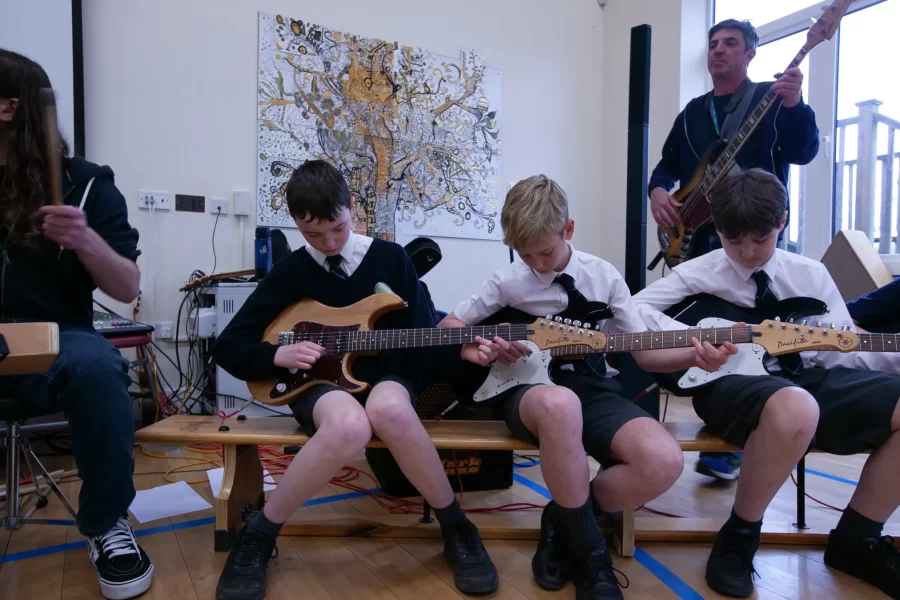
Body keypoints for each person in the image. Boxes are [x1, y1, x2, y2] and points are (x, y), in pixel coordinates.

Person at [211, 160, 498, 600]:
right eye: (312, 236)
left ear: (352, 210)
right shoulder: (289, 272)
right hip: (320, 385)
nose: (328, 243)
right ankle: (260, 535)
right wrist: (277, 355)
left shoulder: (391, 259)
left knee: (388, 410)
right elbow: (229, 345)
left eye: (338, 230)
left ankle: (457, 526)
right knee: (348, 425)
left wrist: (463, 351)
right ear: (295, 225)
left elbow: (422, 336)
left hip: (387, 377)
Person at [439, 175, 736, 599]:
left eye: (545, 251)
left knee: (662, 460)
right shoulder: (507, 281)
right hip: (529, 392)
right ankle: (591, 552)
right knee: (560, 406)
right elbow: (449, 323)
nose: (537, 265)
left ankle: (563, 518)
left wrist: (695, 355)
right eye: (525, 255)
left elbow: (644, 354)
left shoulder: (604, 278)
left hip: (592, 387)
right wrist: (474, 345)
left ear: (569, 230)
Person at [634, 168, 900, 599]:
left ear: (783, 222)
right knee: (795, 407)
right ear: (717, 229)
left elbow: (844, 349)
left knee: (805, 400)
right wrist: (696, 341)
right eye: (733, 240)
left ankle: (859, 539)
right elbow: (632, 314)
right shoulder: (699, 272)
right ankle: (739, 536)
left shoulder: (810, 275)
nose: (748, 253)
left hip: (804, 380)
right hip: (728, 385)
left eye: (761, 239)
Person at [0, 50, 152, 599]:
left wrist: (85, 238)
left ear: (8, 106)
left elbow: (127, 288)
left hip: (54, 343)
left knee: (96, 365)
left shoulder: (86, 185)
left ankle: (108, 524)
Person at [648, 18, 820, 481]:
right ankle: (715, 419)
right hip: (702, 237)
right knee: (705, 331)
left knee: (751, 332)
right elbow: (668, 163)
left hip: (752, 236)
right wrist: (658, 191)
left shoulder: (771, 98)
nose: (719, 51)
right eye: (713, 44)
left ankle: (742, 433)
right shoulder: (692, 113)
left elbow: (804, 151)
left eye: (730, 44)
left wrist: (795, 103)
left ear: (750, 55)